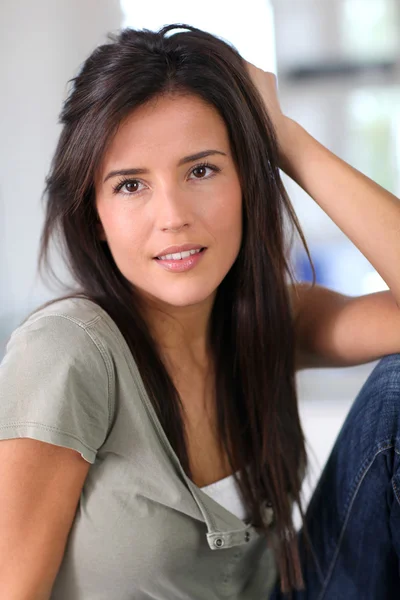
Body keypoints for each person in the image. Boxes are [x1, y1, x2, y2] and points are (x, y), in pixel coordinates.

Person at [0, 23, 399, 600]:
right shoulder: (67, 352)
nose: (174, 216)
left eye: (202, 170)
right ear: (96, 218)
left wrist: (288, 140)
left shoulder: (267, 320)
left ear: (246, 181)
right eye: (132, 185)